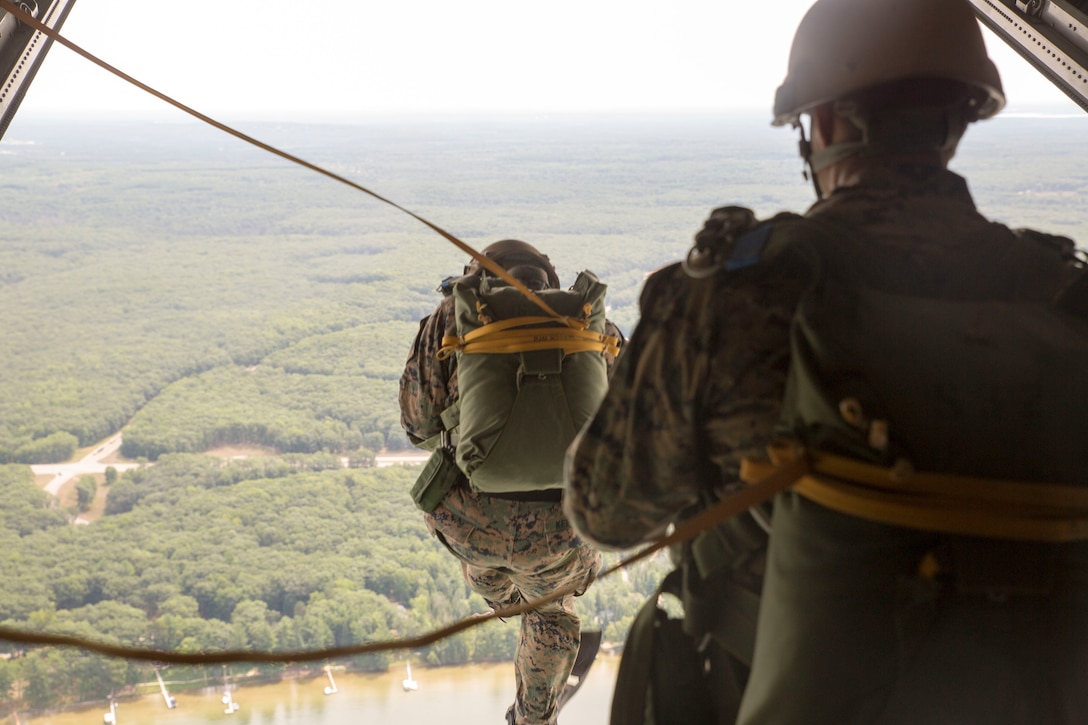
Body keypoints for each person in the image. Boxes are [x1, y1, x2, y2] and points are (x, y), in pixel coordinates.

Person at [565, 0, 1088, 722]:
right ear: (959, 120)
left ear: (831, 124)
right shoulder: (1064, 298)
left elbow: (606, 510)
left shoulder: (730, 294)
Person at [399, 239, 620, 725]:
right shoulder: (589, 323)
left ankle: (511, 601)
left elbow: (418, 427)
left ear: (477, 280)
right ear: (550, 277)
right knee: (552, 614)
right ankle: (534, 714)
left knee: (494, 573)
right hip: (562, 531)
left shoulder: (450, 320)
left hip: (470, 522)